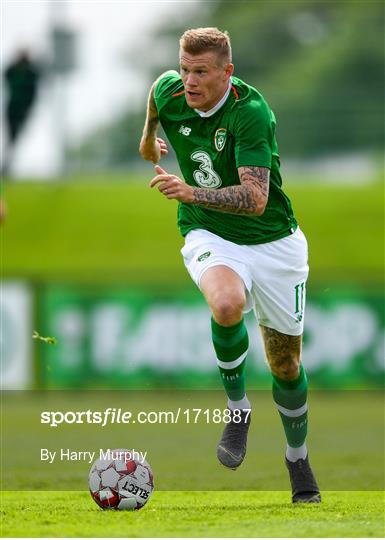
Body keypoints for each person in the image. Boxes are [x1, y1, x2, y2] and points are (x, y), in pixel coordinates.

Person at [139, 27, 320, 504]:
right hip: (209, 231)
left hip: (274, 242)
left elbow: (257, 200)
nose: (189, 81)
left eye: (201, 72)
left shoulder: (251, 113)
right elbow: (155, 109)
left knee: (285, 364)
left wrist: (189, 190)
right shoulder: (169, 90)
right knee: (225, 303)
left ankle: (297, 458)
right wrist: (147, 144)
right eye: (184, 68)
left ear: (227, 73)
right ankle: (238, 409)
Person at [3, 49, 41, 174]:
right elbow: (6, 76)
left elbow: (34, 92)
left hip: (23, 110)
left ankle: (7, 165)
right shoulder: (12, 70)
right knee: (11, 137)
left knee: (14, 138)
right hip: (12, 108)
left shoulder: (31, 74)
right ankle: (6, 165)